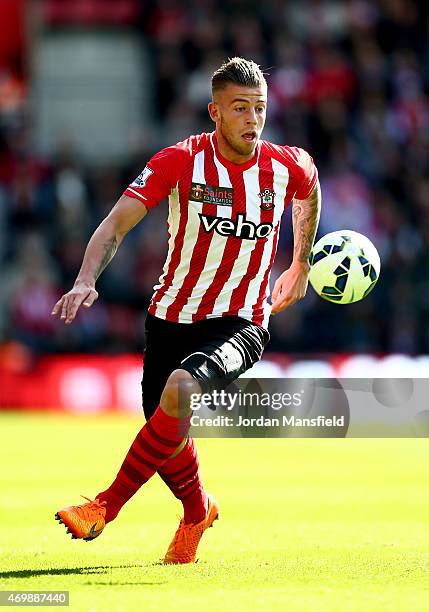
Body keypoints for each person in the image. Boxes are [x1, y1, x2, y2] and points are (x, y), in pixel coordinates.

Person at [51, 57, 321, 564]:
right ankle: (198, 511)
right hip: (172, 315)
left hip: (242, 320)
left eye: (259, 108)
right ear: (214, 112)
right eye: (240, 108)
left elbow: (310, 190)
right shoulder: (180, 161)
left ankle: (104, 507)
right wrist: (86, 279)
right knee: (166, 431)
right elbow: (115, 224)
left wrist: (300, 263)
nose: (252, 119)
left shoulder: (286, 166)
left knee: (180, 390)